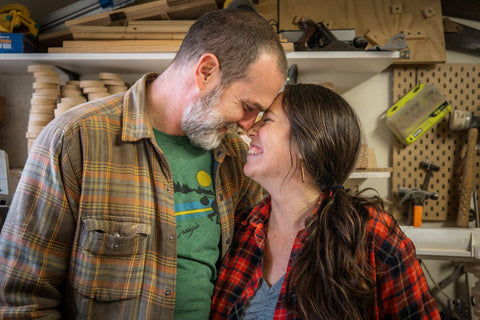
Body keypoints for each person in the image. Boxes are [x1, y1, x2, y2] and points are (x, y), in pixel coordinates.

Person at [0, 9, 287, 320]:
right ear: (206, 72)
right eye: (247, 107)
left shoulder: (235, 159)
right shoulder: (74, 140)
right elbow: (22, 300)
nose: (247, 126)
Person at [211, 84, 440, 320]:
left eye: (267, 120)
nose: (250, 130)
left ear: (305, 144)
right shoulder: (241, 230)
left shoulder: (369, 234)